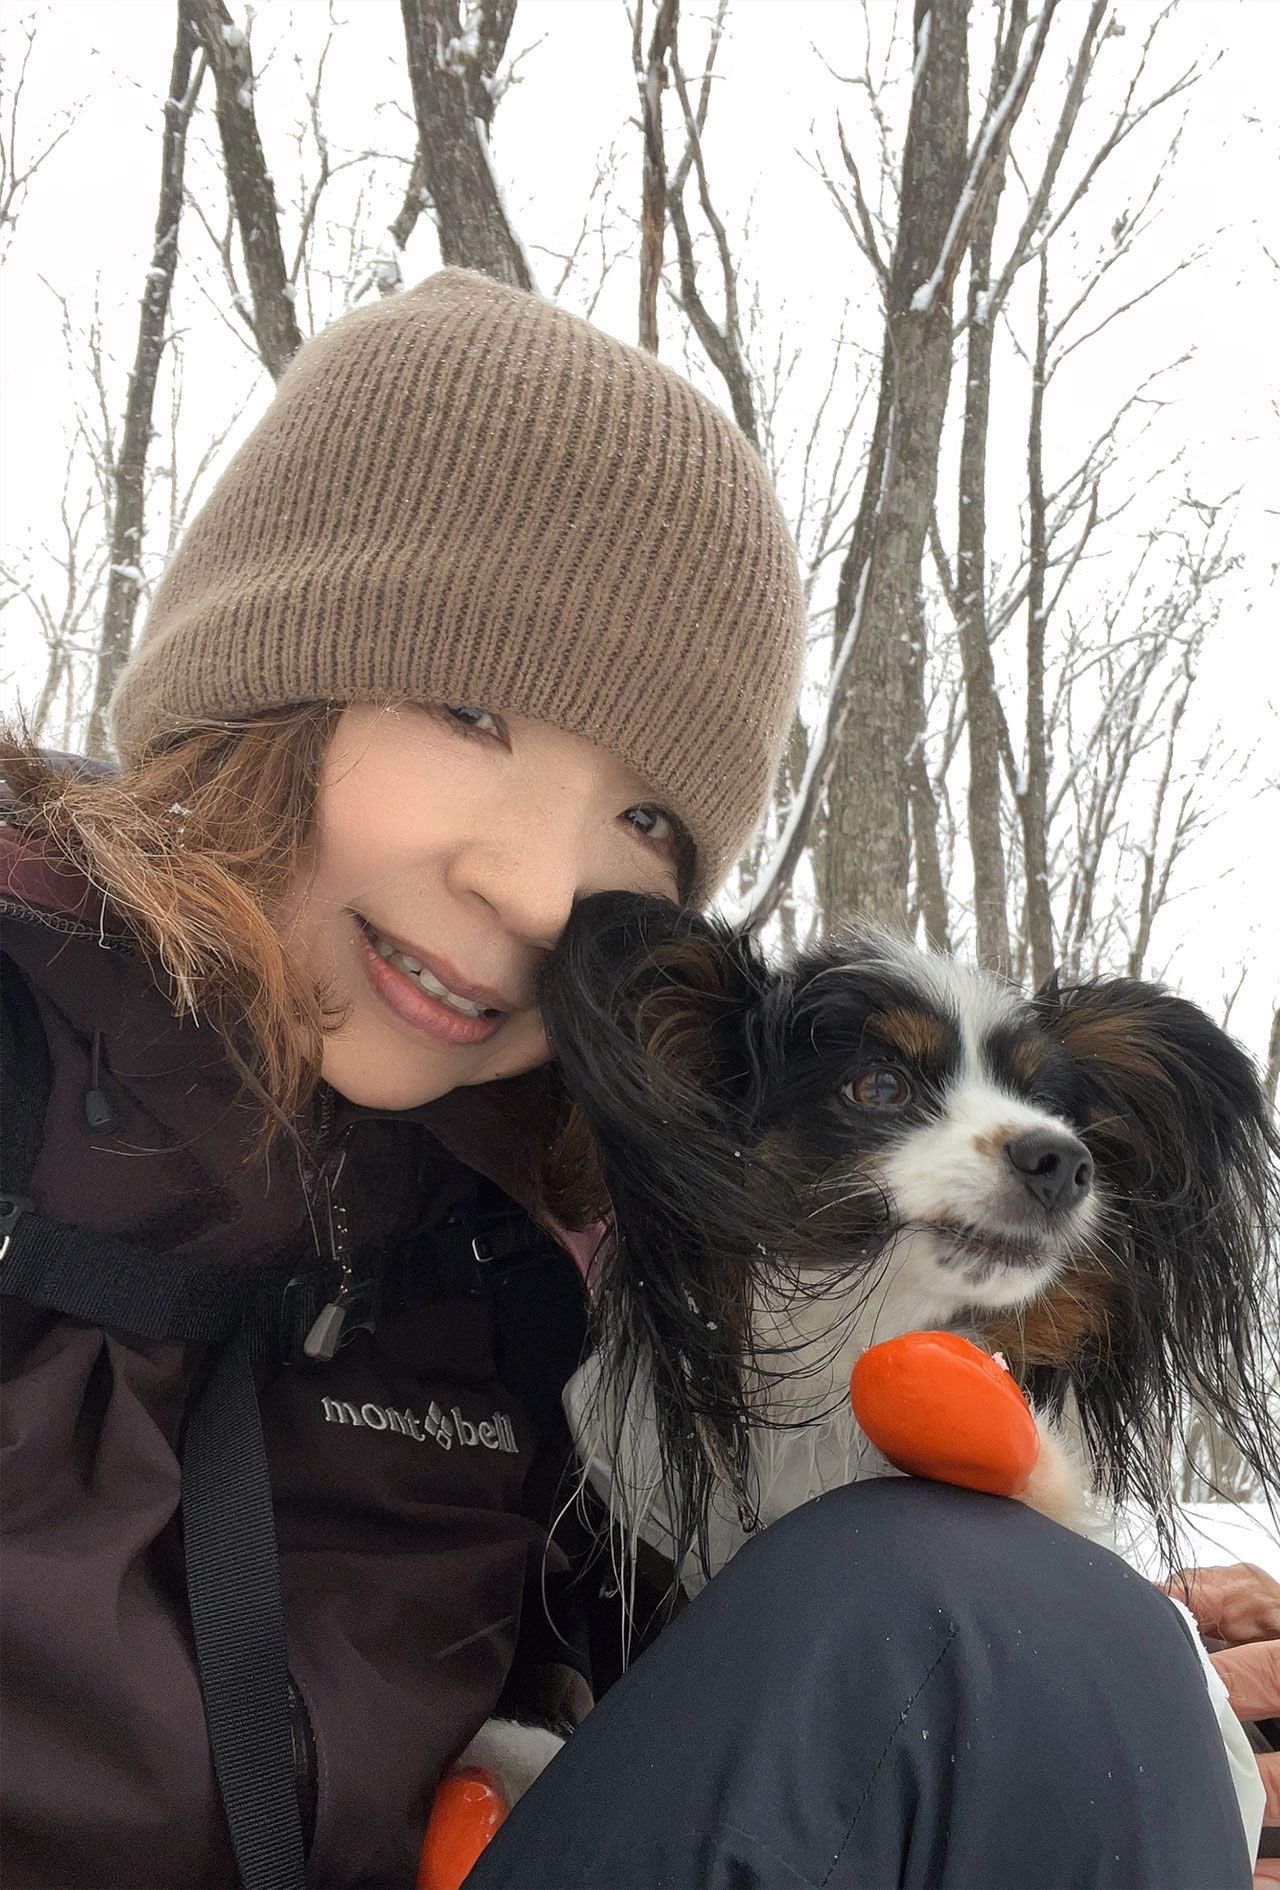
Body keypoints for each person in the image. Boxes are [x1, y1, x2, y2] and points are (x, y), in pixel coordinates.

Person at [0, 268, 1266, 1890]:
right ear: (273, 673)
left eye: (647, 822)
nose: (543, 887)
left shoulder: (549, 1257)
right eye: (470, 708)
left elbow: (779, 1672)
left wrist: (1093, 1707)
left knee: (1036, 1633)